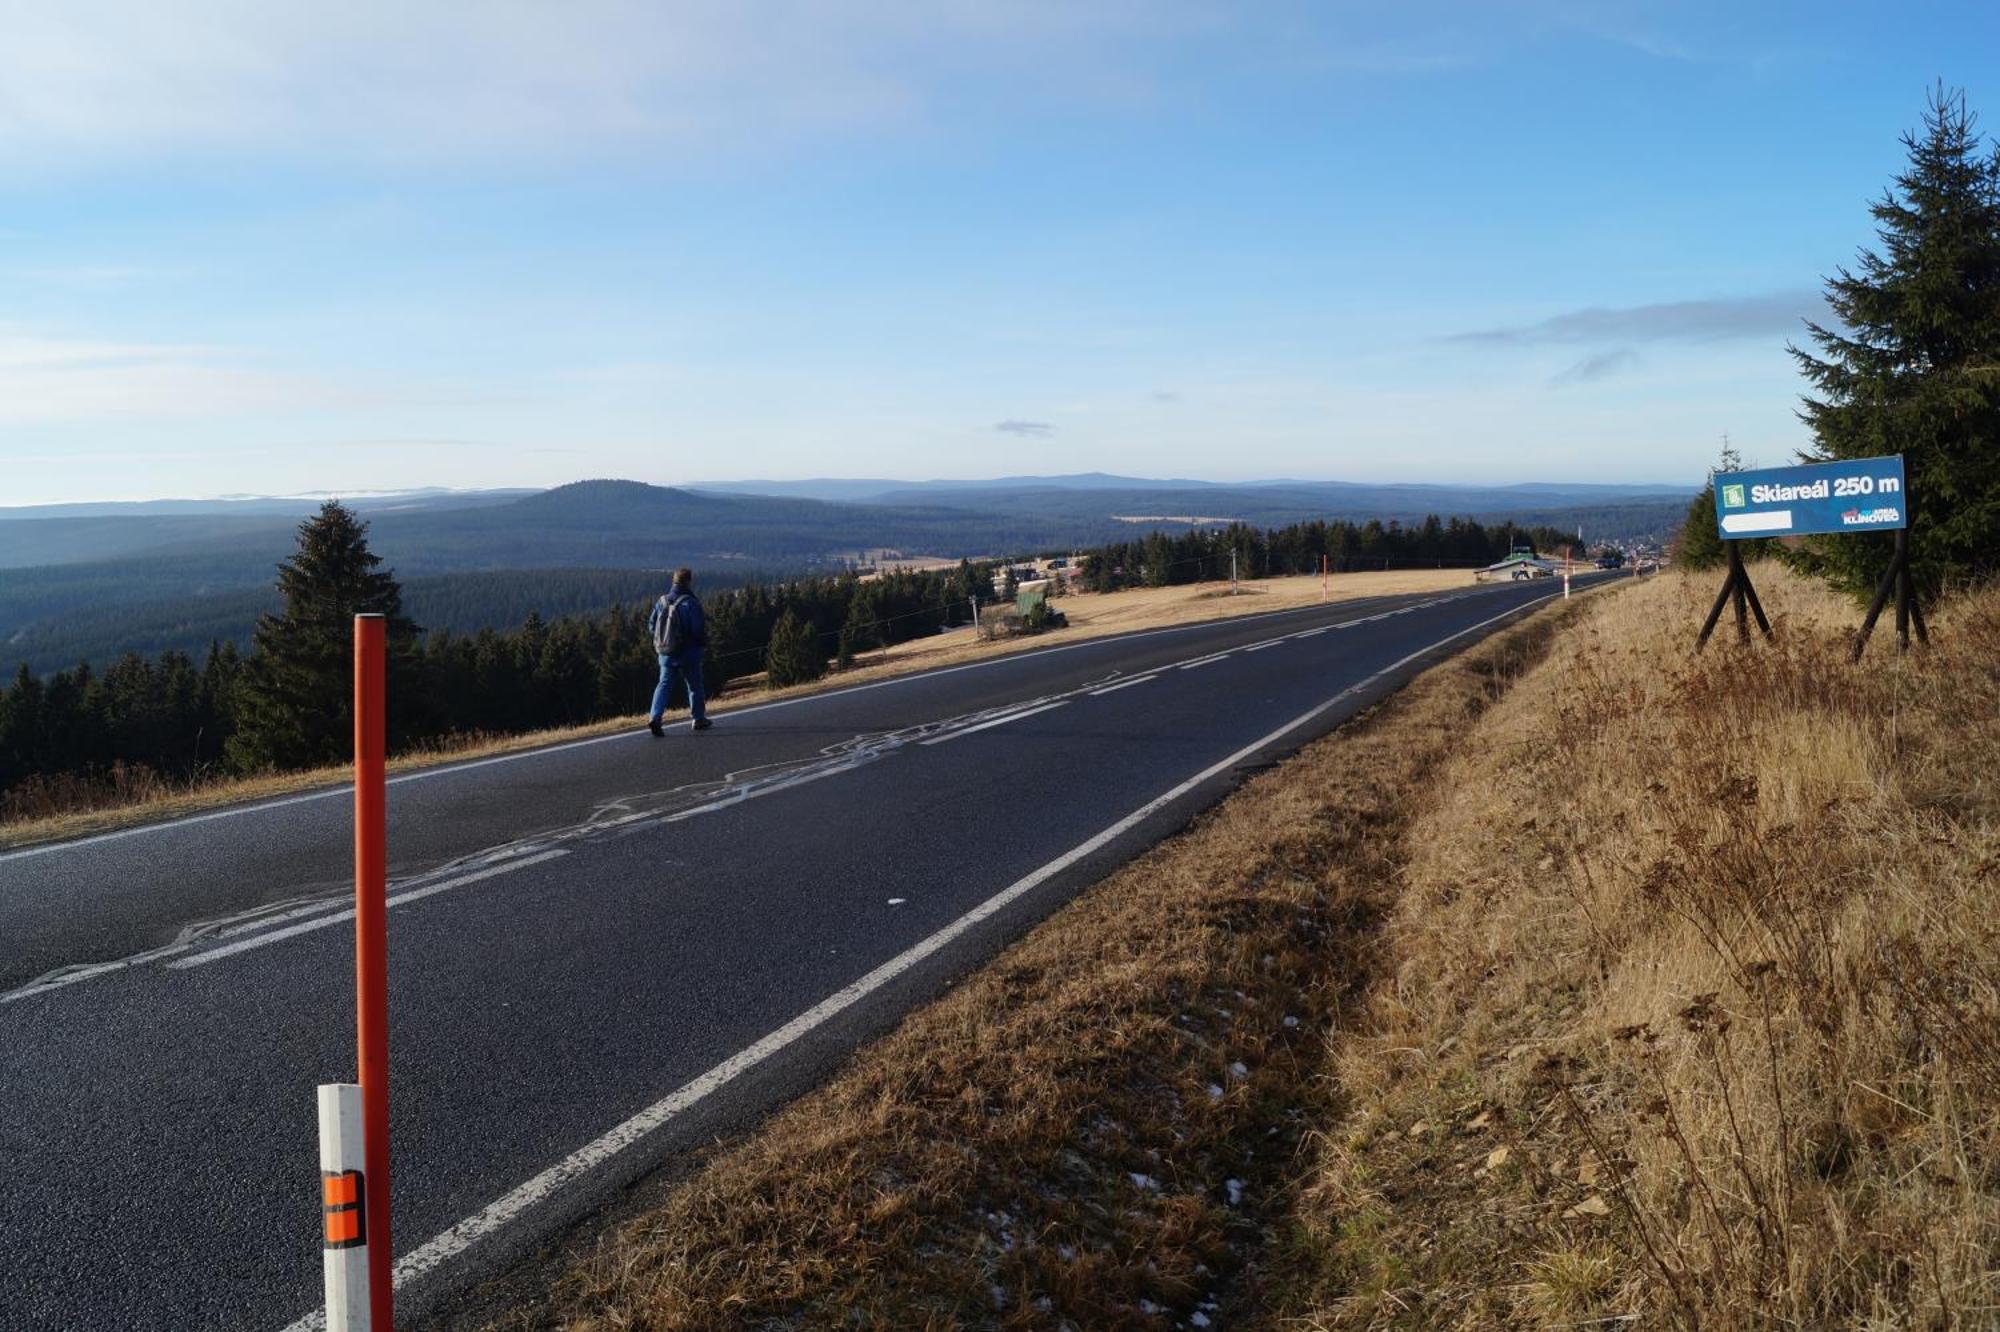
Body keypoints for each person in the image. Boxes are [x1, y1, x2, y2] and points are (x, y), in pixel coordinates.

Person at [647, 567, 711, 734]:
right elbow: (697, 629)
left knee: (663, 684)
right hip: (688, 653)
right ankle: (698, 718)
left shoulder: (662, 601)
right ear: (688, 582)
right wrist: (702, 644)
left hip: (666, 653)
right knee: (694, 685)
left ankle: (655, 717)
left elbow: (652, 625)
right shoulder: (690, 602)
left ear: (673, 581)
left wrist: (664, 641)